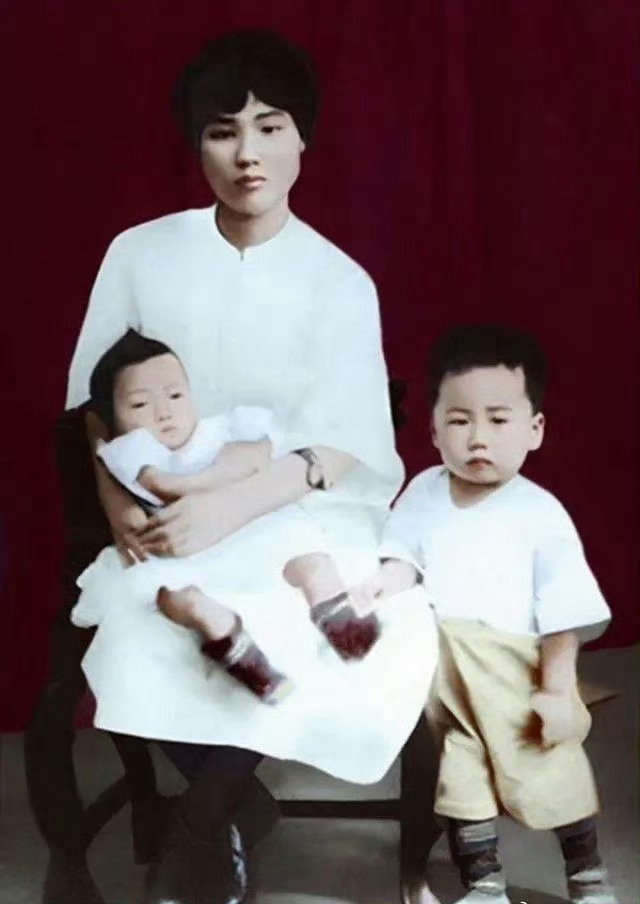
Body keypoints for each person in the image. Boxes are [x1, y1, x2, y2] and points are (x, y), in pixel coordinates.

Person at [65, 29, 437, 904]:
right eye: (222, 131)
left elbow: (347, 442)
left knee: (322, 620)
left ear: (303, 138)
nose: (247, 154)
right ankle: (238, 808)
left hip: (306, 504)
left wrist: (234, 508)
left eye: (270, 128)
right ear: (196, 145)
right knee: (142, 620)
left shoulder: (340, 281)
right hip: (165, 502)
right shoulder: (138, 253)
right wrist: (115, 503)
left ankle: (206, 822)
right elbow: (89, 403)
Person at [375, 324, 617, 904]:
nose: (478, 438)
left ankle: (587, 876)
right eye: (460, 421)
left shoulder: (540, 514)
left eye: (499, 420)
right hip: (449, 679)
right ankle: (484, 884)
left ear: (535, 429)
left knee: (552, 773)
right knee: (463, 781)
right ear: (434, 430)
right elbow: (401, 557)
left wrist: (556, 689)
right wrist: (378, 590)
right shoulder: (423, 492)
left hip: (516, 673)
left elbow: (564, 611)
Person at [72, 329, 383, 702]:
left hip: (254, 526)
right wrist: (221, 477)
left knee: (309, 557)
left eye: (175, 396)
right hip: (188, 550)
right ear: (114, 420)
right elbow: (161, 485)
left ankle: (342, 622)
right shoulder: (131, 450)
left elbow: (259, 454)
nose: (164, 412)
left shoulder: (223, 426)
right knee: (174, 598)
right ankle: (232, 644)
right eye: (140, 405)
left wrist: (220, 483)